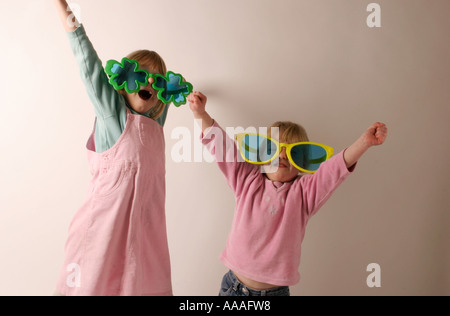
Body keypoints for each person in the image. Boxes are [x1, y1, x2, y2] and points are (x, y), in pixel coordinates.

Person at [187, 91, 388, 296]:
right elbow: (224, 149)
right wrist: (201, 114)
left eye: (293, 151)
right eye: (275, 148)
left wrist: (364, 143)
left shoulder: (304, 193)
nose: (283, 154)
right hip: (233, 288)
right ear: (264, 153)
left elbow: (332, 170)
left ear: (302, 161)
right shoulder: (247, 179)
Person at [53, 0, 172, 295]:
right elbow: (88, 65)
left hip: (144, 236)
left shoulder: (156, 125)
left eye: (157, 81)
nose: (149, 84)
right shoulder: (114, 115)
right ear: (121, 81)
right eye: (139, 75)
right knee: (91, 286)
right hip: (102, 232)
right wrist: (63, 8)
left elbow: (164, 96)